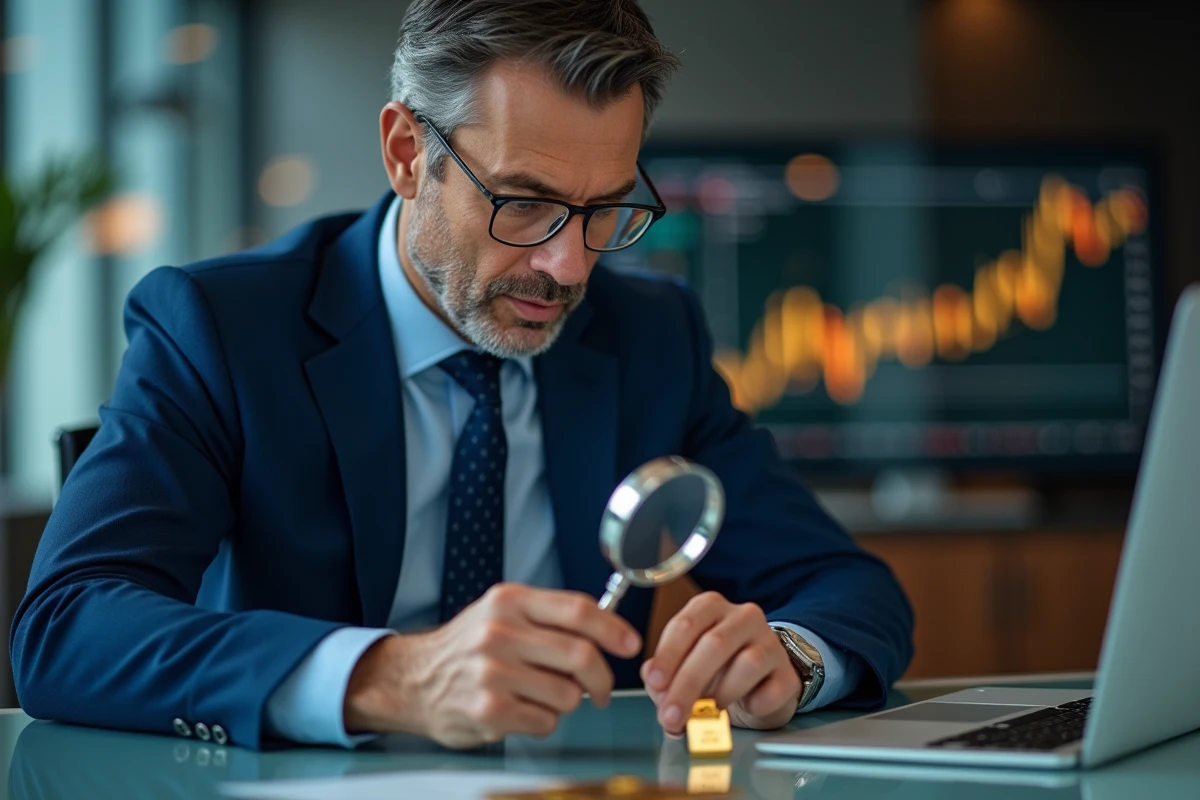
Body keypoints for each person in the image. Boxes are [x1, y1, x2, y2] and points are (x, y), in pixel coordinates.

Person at [9, 0, 913, 751]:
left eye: (605, 211)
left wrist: (788, 656)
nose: (568, 267)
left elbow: (851, 589)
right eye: (525, 203)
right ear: (407, 153)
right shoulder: (221, 330)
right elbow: (66, 629)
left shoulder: (650, 337)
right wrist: (386, 676)